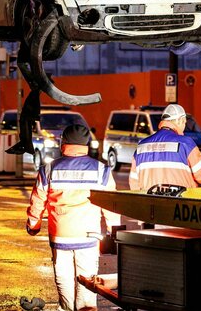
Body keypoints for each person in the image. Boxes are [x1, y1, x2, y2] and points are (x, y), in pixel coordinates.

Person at [26, 124, 120, 311]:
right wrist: (113, 232)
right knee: (87, 287)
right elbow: (111, 205)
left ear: (64, 143)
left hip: (60, 236)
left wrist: (33, 225)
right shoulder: (102, 170)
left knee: (64, 283)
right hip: (89, 237)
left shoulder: (49, 169)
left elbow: (38, 201)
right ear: (86, 144)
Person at [129, 103, 201, 192]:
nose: (184, 127)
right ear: (179, 120)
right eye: (184, 122)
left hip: (150, 203)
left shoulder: (141, 146)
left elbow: (134, 184)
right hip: (180, 203)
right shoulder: (186, 143)